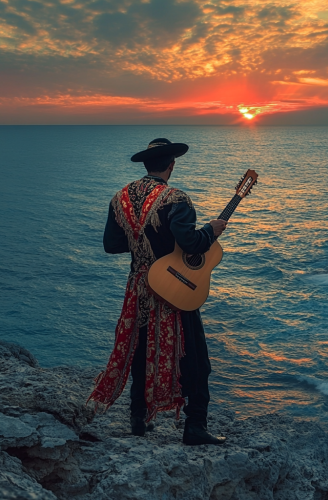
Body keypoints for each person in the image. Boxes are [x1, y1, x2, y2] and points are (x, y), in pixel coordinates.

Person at [88, 138, 227, 446]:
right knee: (195, 358)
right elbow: (191, 243)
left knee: (138, 351)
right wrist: (210, 232)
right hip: (172, 290)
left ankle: (138, 420)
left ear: (146, 165)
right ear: (171, 165)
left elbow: (111, 245)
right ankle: (195, 427)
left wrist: (142, 242)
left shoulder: (120, 198)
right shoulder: (176, 198)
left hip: (138, 287)